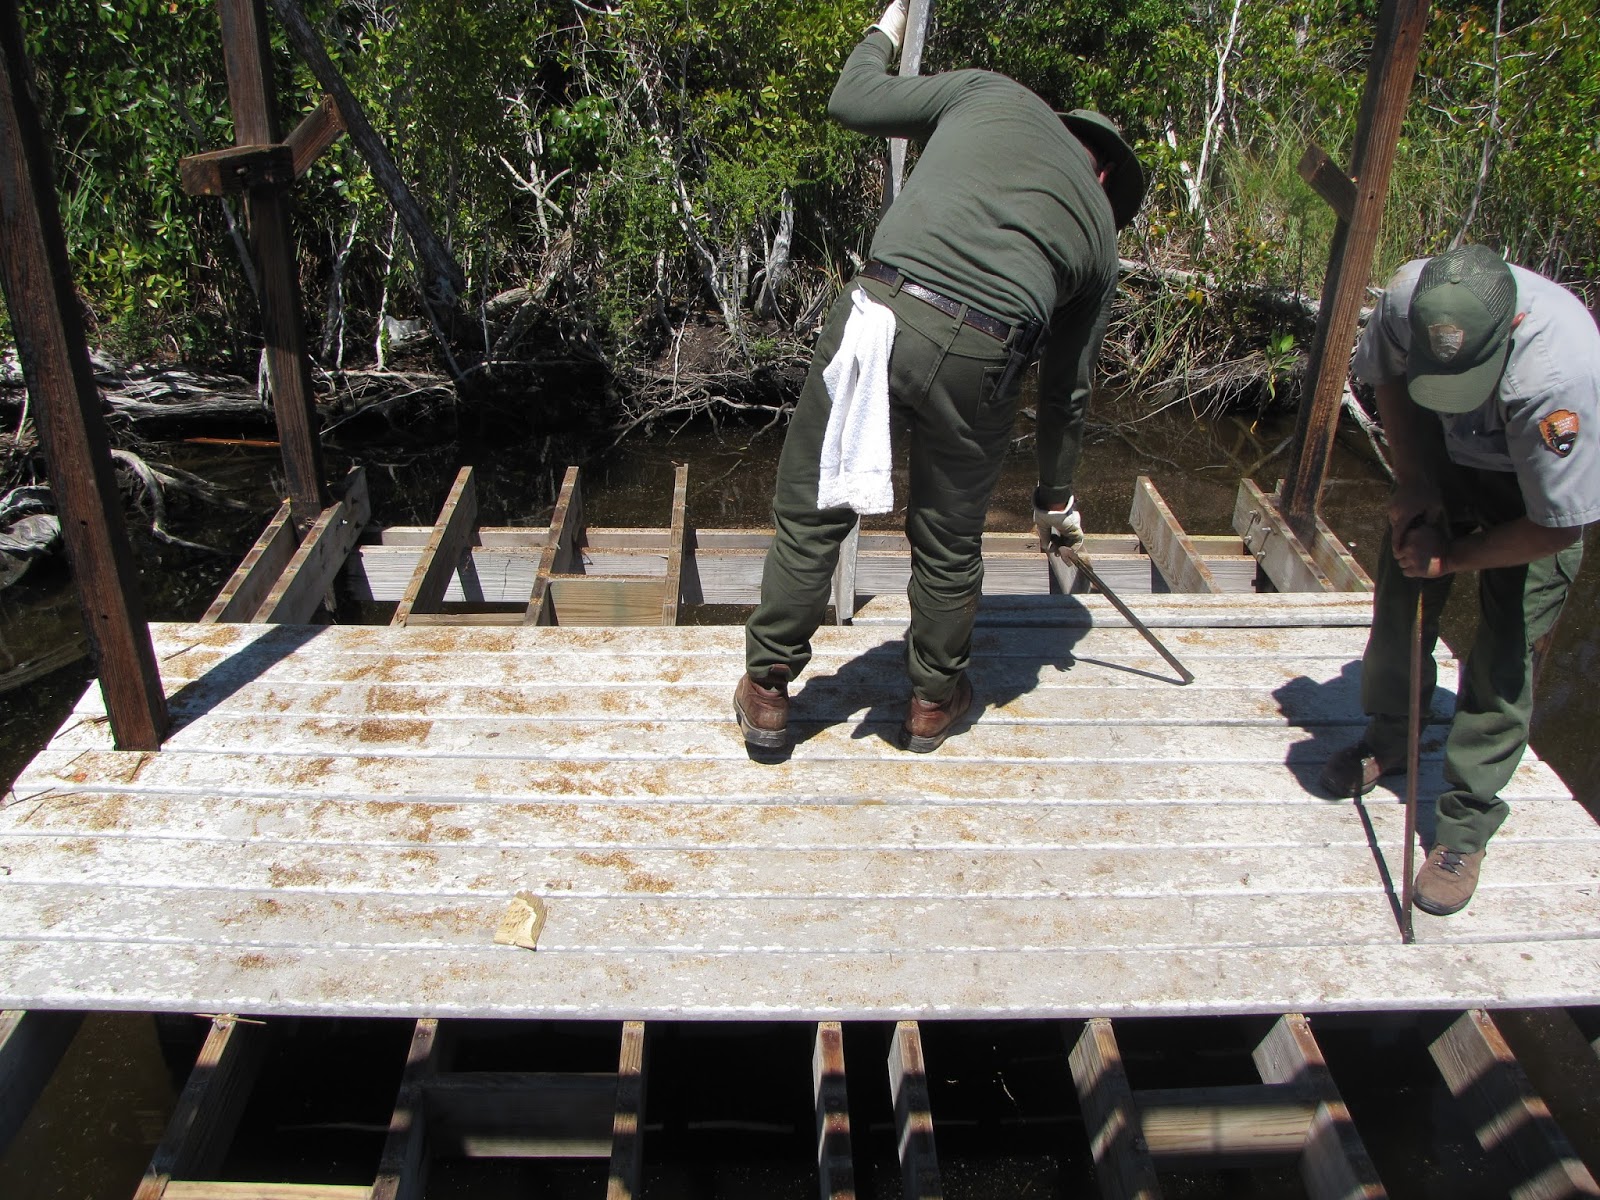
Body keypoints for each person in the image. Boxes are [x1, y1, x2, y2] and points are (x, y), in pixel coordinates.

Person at [733, 0, 1145, 754]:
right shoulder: (1099, 231)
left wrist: (882, 31)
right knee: (949, 543)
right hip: (985, 354)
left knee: (816, 503)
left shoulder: (986, 93)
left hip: (881, 309)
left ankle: (767, 691)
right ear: (1106, 171)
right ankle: (930, 702)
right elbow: (1067, 393)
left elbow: (850, 97)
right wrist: (1055, 497)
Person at [1321, 243, 1598, 915]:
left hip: (1529, 484)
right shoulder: (1404, 303)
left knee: (1506, 650)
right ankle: (1390, 738)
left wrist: (1458, 558)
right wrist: (1415, 481)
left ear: (1508, 332)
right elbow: (1387, 376)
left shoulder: (1561, 376)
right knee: (1399, 601)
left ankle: (1466, 824)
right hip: (1447, 453)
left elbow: (1557, 526)